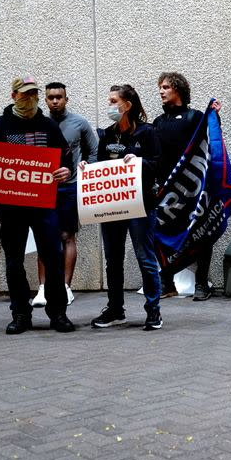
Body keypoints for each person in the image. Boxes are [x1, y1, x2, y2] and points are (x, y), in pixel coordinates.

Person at [0, 75, 74, 334]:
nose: (29, 99)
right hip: (11, 206)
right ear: (13, 96)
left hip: (45, 206)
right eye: (24, 94)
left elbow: (66, 160)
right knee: (14, 261)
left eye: (33, 94)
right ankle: (20, 313)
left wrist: (66, 170)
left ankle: (58, 313)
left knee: (53, 258)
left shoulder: (49, 127)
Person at [89, 84, 163, 330]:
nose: (110, 105)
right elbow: (99, 165)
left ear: (127, 105)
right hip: (111, 205)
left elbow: (158, 165)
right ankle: (115, 309)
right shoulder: (107, 134)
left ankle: (153, 310)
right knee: (113, 259)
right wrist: (87, 171)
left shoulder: (147, 132)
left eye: (113, 101)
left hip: (141, 205)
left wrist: (139, 162)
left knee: (145, 258)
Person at [29, 82, 98, 308]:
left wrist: (88, 168)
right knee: (43, 238)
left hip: (70, 187)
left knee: (67, 236)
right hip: (42, 188)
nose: (55, 101)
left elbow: (94, 150)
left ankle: (66, 288)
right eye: (50, 97)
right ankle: (42, 289)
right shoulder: (37, 124)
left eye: (59, 97)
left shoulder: (79, 123)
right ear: (45, 100)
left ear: (66, 99)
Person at [153, 72, 219, 301]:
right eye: (160, 87)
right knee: (162, 234)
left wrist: (214, 117)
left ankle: (202, 282)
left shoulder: (194, 117)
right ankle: (167, 281)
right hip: (166, 189)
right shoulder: (158, 122)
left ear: (178, 90)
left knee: (201, 232)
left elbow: (210, 143)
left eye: (166, 87)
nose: (161, 91)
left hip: (192, 187)